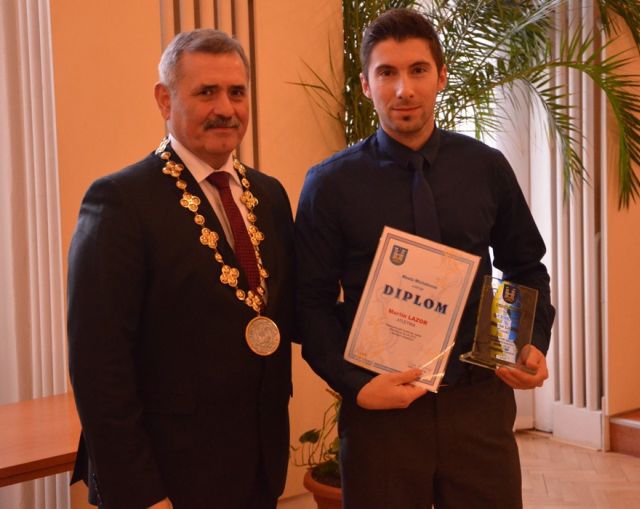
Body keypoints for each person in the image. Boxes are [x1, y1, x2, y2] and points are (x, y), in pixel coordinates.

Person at [295, 8, 555, 509]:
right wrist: (356, 387)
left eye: (417, 70)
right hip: (380, 416)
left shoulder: (485, 168)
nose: (404, 89)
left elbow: (525, 265)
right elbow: (310, 303)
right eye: (386, 73)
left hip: (478, 405)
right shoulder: (329, 185)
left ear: (441, 76)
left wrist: (525, 343)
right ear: (367, 85)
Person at [67, 29, 295, 509]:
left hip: (257, 470)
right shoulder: (120, 202)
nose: (226, 108)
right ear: (164, 100)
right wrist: (142, 494)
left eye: (237, 92)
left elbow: (291, 310)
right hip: (166, 481)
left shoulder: (270, 195)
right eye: (206, 92)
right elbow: (99, 367)